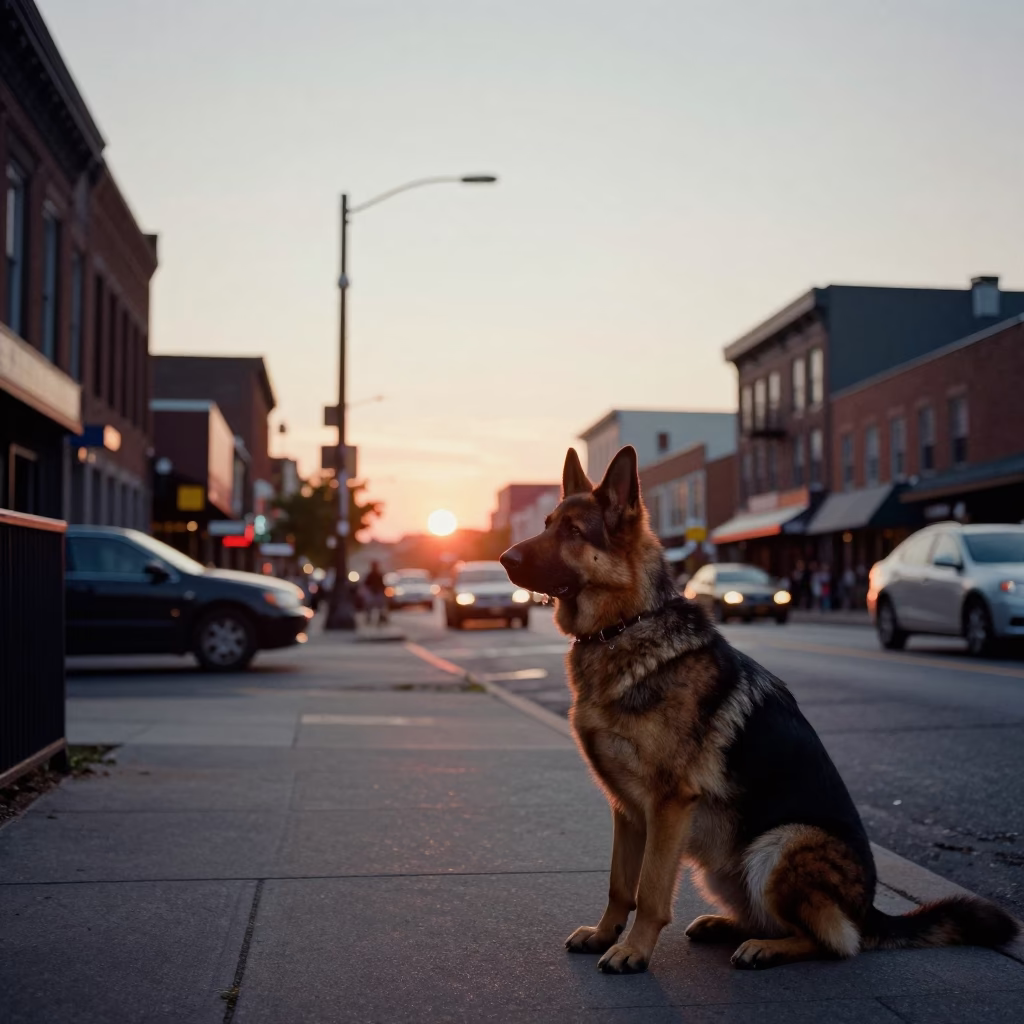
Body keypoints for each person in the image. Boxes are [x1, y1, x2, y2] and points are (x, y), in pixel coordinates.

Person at [364, 561, 389, 627]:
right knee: (370, 606)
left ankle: (381, 617)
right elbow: (366, 584)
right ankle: (369, 618)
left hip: (378, 592)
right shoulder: (370, 575)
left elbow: (382, 584)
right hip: (372, 592)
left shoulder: (379, 575)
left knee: (380, 606)